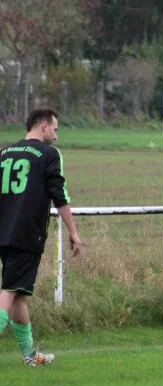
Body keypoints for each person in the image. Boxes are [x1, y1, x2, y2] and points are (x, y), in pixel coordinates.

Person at [0, 108, 84, 365]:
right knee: (9, 292)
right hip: (25, 234)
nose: (56, 137)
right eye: (55, 129)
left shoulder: (4, 153)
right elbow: (59, 195)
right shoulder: (49, 154)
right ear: (44, 126)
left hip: (4, 230)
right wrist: (73, 231)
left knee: (19, 295)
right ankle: (29, 356)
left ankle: (29, 356)